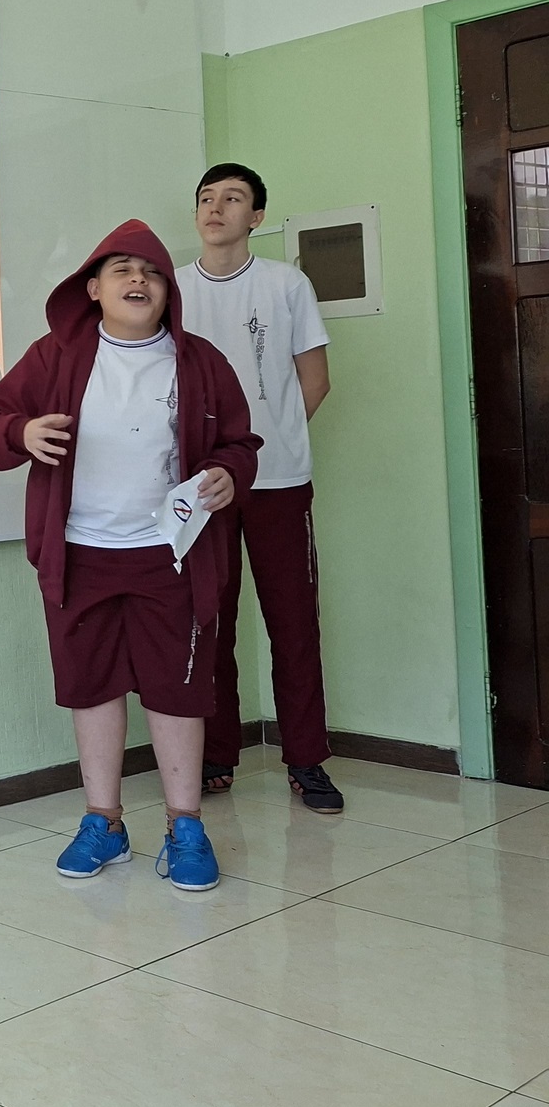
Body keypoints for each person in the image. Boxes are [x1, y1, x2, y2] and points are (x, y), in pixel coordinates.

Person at [0, 220, 258, 891]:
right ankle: (104, 821)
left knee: (177, 690)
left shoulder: (200, 361)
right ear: (94, 289)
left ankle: (185, 826)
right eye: (123, 269)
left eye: (153, 271)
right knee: (92, 687)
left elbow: (240, 444)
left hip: (173, 555)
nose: (139, 280)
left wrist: (228, 472)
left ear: (168, 292)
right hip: (80, 555)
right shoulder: (55, 357)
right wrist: (23, 431)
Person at [175, 164, 340, 811]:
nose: (216, 208)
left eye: (233, 198)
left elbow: (316, 380)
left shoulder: (286, 284)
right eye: (206, 198)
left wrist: (271, 442)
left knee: (293, 621)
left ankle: (307, 759)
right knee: (209, 621)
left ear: (257, 216)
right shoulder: (172, 289)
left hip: (278, 481)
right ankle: (217, 753)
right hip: (202, 488)